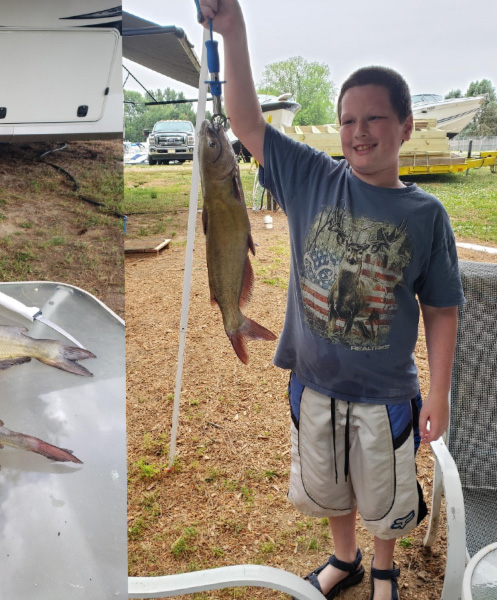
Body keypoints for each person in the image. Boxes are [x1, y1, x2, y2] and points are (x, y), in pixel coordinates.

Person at [197, 2, 463, 599]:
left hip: (386, 394)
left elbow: (442, 309)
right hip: (313, 382)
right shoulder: (312, 176)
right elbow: (245, 122)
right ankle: (345, 559)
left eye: (375, 118)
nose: (360, 131)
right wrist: (233, 31)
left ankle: (385, 567)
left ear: (406, 126)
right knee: (332, 484)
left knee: (386, 494)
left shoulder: (426, 216)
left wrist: (439, 392)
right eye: (348, 120)